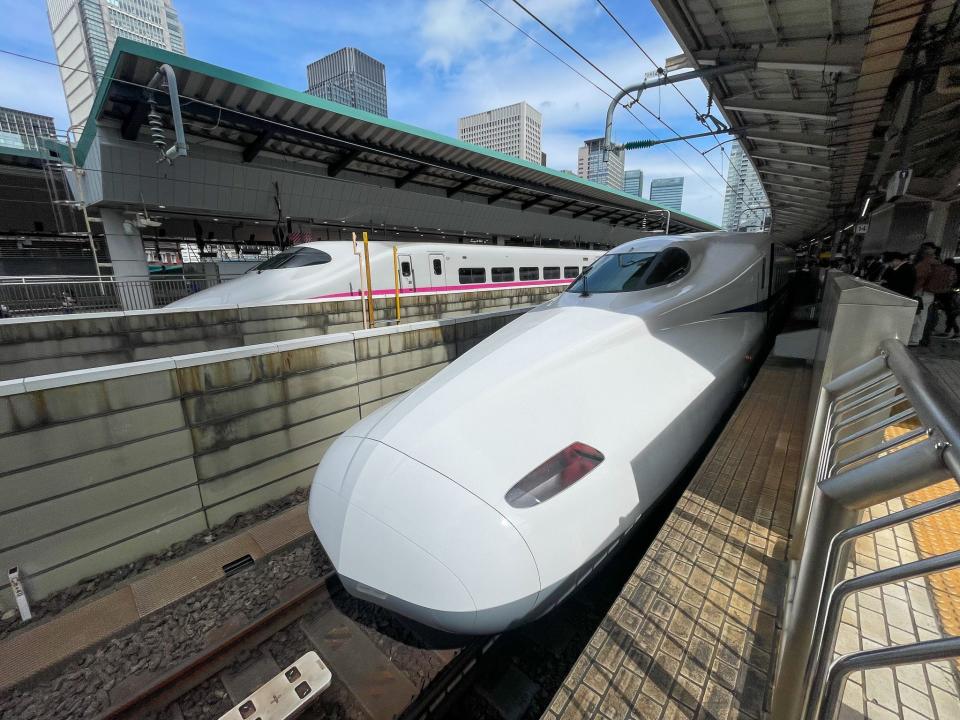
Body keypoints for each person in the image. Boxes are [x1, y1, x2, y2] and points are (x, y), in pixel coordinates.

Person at [909, 244, 938, 347]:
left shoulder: (925, 263)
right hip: (929, 293)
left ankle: (913, 338)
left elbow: (918, 278)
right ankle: (917, 338)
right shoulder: (936, 262)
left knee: (917, 316)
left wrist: (913, 291)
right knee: (922, 316)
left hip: (921, 293)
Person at [925, 255, 957, 342]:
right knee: (950, 312)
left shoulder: (940, 269)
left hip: (937, 293)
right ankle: (950, 331)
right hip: (948, 294)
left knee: (936, 310)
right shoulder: (953, 271)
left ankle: (931, 329)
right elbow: (953, 282)